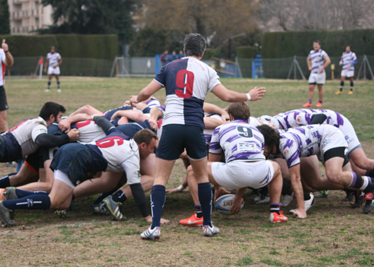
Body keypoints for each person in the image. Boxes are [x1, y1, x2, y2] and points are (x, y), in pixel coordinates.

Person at [130, 33, 266, 240]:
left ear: (184, 50)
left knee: (160, 178)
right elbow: (227, 96)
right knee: (202, 176)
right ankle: (208, 225)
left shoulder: (169, 67)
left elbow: (145, 93)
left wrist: (137, 99)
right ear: (202, 52)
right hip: (195, 127)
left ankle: (155, 227)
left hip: (171, 126)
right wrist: (249, 96)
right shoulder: (208, 70)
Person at [0, 126, 157, 227]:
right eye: (151, 148)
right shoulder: (132, 155)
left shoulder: (121, 137)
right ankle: (8, 205)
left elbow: (108, 126)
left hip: (73, 152)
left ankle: (17, 193)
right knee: (55, 201)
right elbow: (136, 187)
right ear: (142, 145)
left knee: (63, 203)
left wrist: (96, 117)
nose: (152, 153)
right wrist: (147, 216)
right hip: (76, 157)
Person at [179, 102, 288, 226]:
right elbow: (249, 163)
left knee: (192, 170)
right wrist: (238, 196)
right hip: (260, 174)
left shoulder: (220, 128)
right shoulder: (258, 132)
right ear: (248, 118)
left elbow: (213, 162)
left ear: (230, 116)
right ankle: (275, 212)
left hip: (235, 173)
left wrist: (218, 186)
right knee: (276, 168)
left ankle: (200, 214)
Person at [0, 102, 79, 210]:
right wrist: (67, 137)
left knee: (18, 177)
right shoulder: (39, 125)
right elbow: (42, 140)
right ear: (52, 117)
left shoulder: (32, 121)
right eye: (60, 117)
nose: (62, 121)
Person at [258, 124, 374, 218]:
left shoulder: (286, 144)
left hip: (329, 136)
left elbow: (296, 178)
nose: (260, 149)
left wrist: (301, 210)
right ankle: (365, 185)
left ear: (269, 142)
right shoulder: (271, 147)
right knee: (317, 183)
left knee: (334, 175)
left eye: (262, 145)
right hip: (313, 146)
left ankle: (369, 184)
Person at [303, 40, 331, 108]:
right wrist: (309, 66)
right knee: (311, 87)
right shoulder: (311, 52)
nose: (315, 46)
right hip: (313, 73)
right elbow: (308, 59)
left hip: (320, 73)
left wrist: (322, 68)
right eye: (314, 45)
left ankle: (320, 102)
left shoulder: (322, 53)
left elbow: (328, 61)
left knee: (319, 87)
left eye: (316, 45)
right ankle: (309, 102)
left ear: (319, 45)